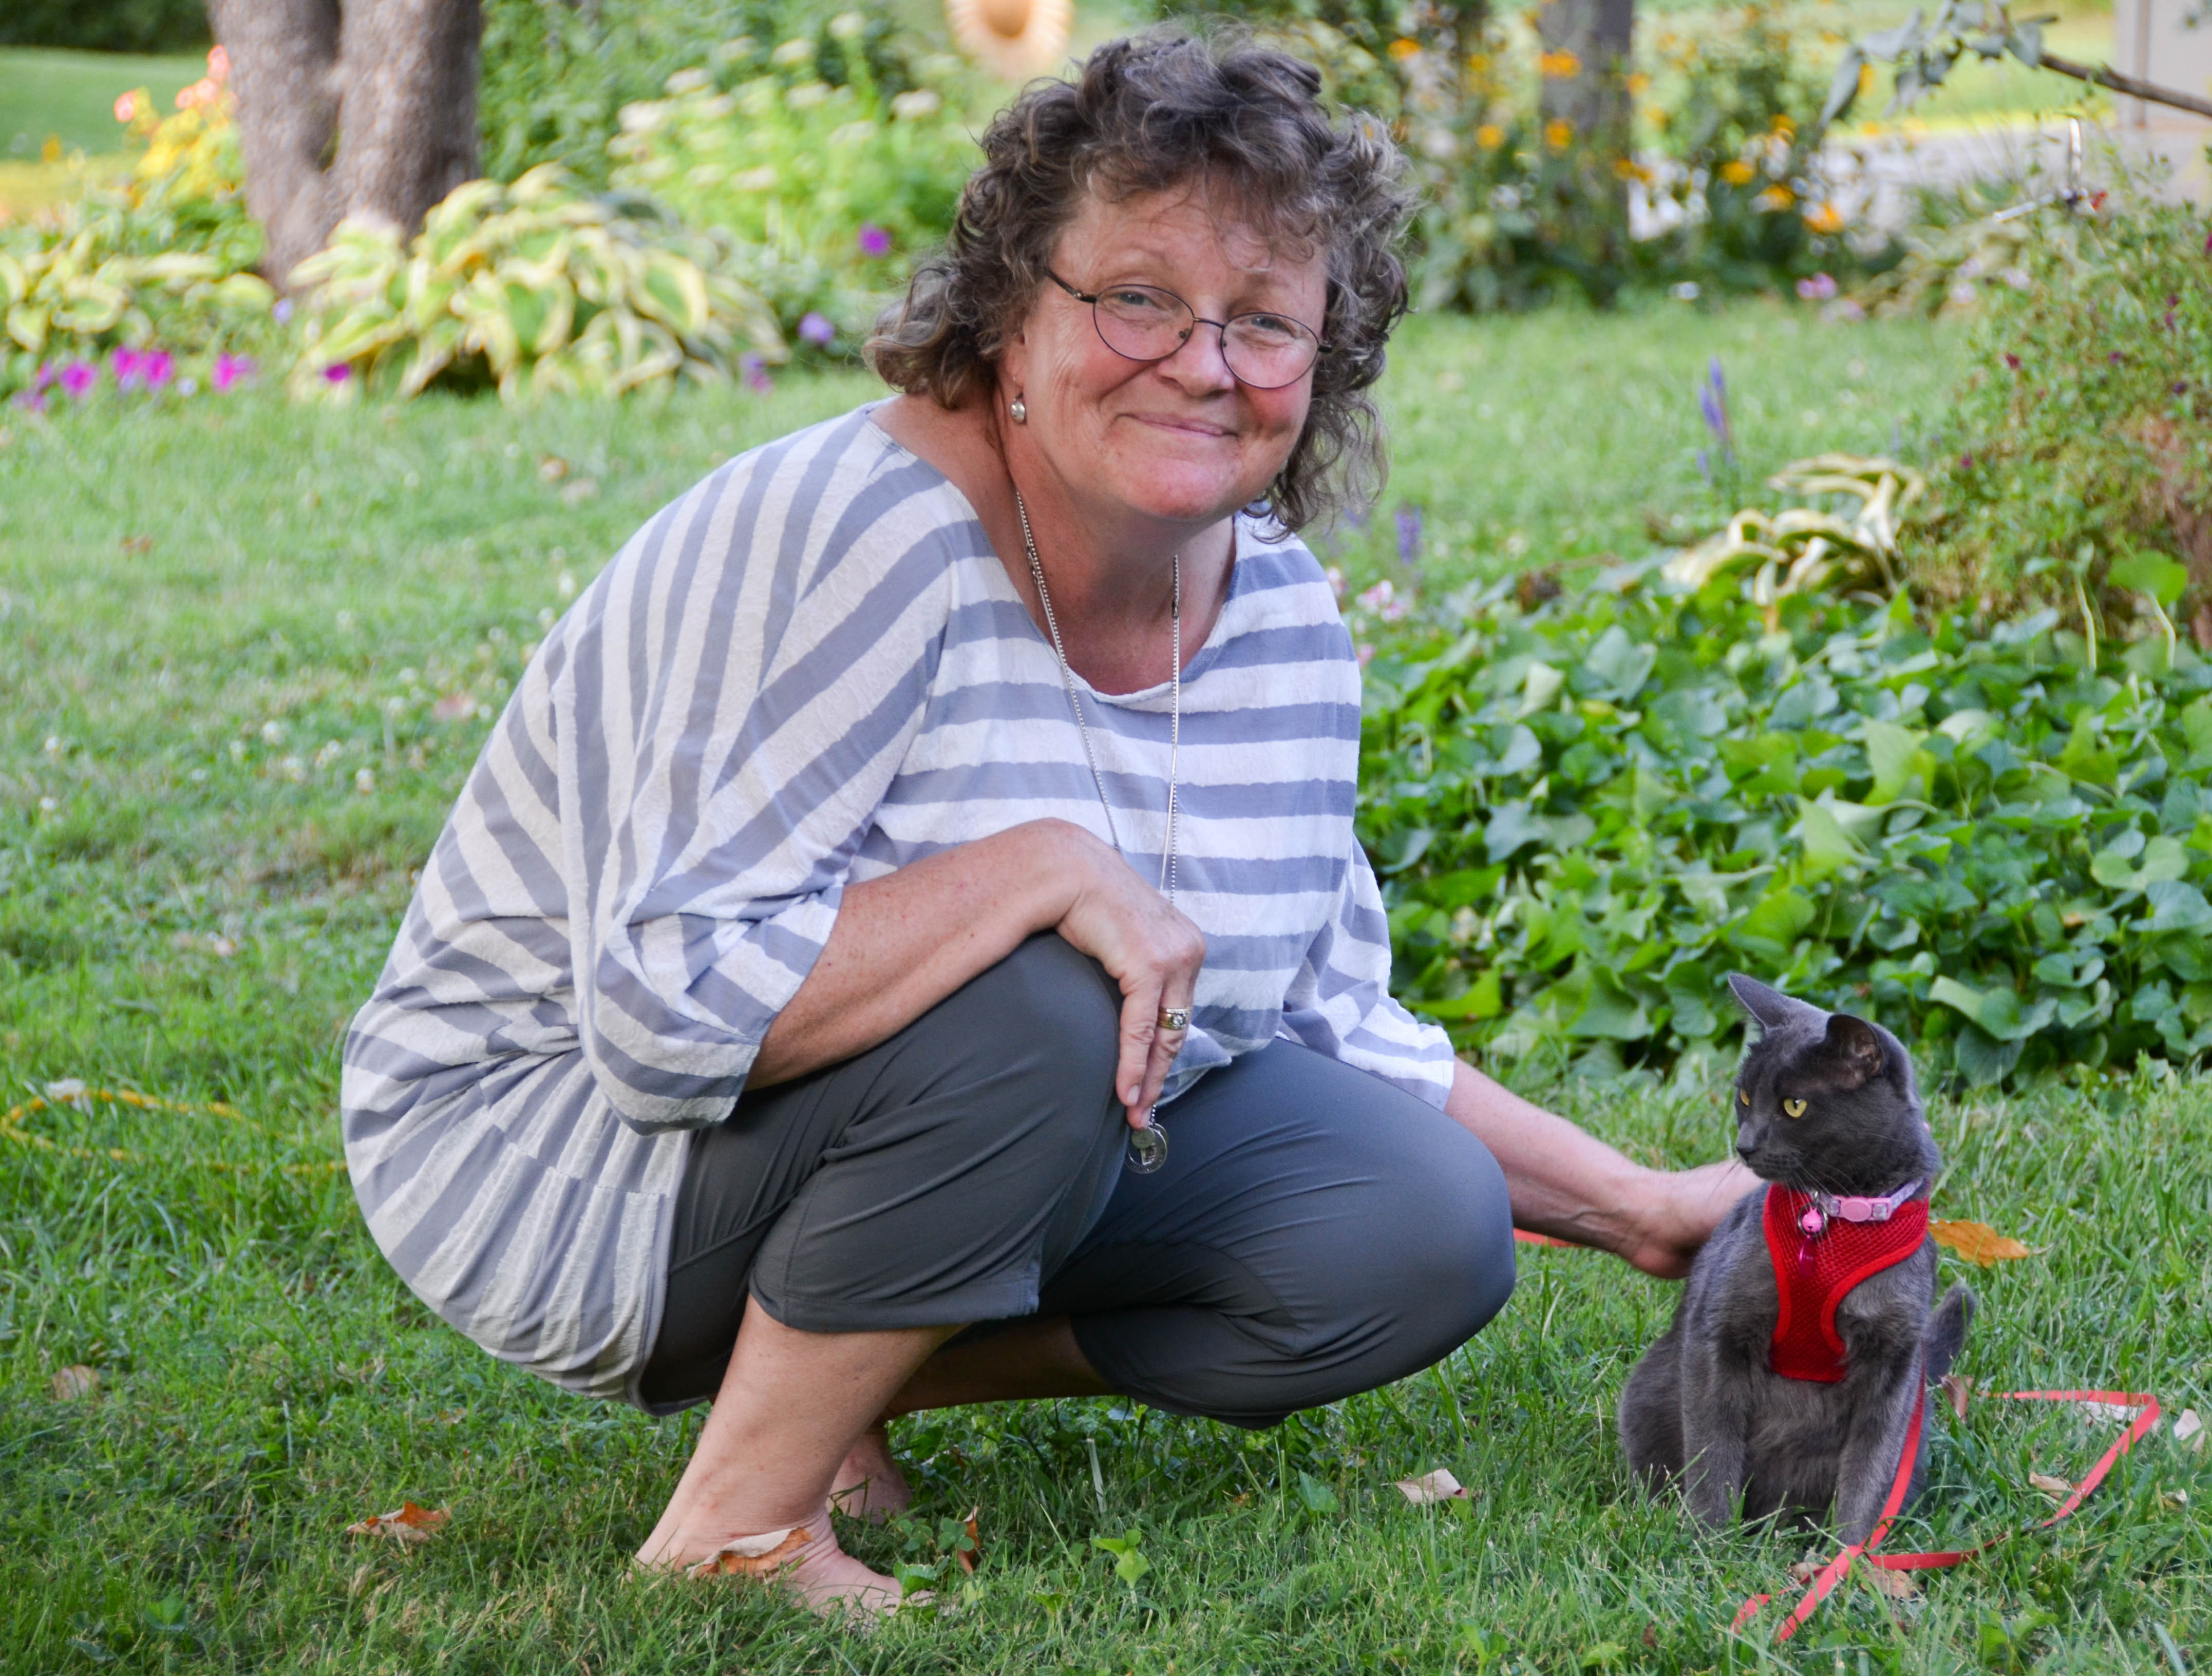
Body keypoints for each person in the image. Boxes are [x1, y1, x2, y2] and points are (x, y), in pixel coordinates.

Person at [341, 29, 1756, 1617]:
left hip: (887, 1127)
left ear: (1327, 363)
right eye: (1136, 297)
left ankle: (840, 1373)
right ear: (1012, 315)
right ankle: (734, 1532)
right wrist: (1039, 872)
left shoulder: (1281, 613)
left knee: (1414, 1224)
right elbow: (661, 1013)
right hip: (560, 1159)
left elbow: (1320, 1019)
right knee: (1039, 985)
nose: (1203, 361)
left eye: (1266, 321)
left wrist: (1640, 1206)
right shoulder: (850, 534)